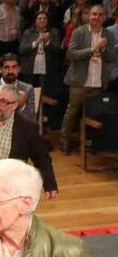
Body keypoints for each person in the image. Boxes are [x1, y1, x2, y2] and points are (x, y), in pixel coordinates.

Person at [0, 84, 58, 197]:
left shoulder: (26, 127)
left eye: (4, 102)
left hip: (5, 192)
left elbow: (41, 157)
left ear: (14, 105)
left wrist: (49, 183)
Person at [60, 4, 116, 154]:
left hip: (98, 82)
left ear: (104, 17)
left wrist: (103, 48)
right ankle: (65, 141)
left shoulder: (109, 35)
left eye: (100, 15)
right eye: (94, 14)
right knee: (72, 111)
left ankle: (90, 144)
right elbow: (70, 54)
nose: (96, 17)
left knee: (93, 115)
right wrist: (92, 49)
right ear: (89, 16)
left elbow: (113, 57)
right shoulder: (79, 32)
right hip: (79, 80)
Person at [0, 54, 36, 120]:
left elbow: (32, 118)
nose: (10, 71)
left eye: (14, 67)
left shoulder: (28, 89)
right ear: (0, 70)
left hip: (19, 128)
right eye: (6, 67)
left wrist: (22, 106)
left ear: (19, 69)